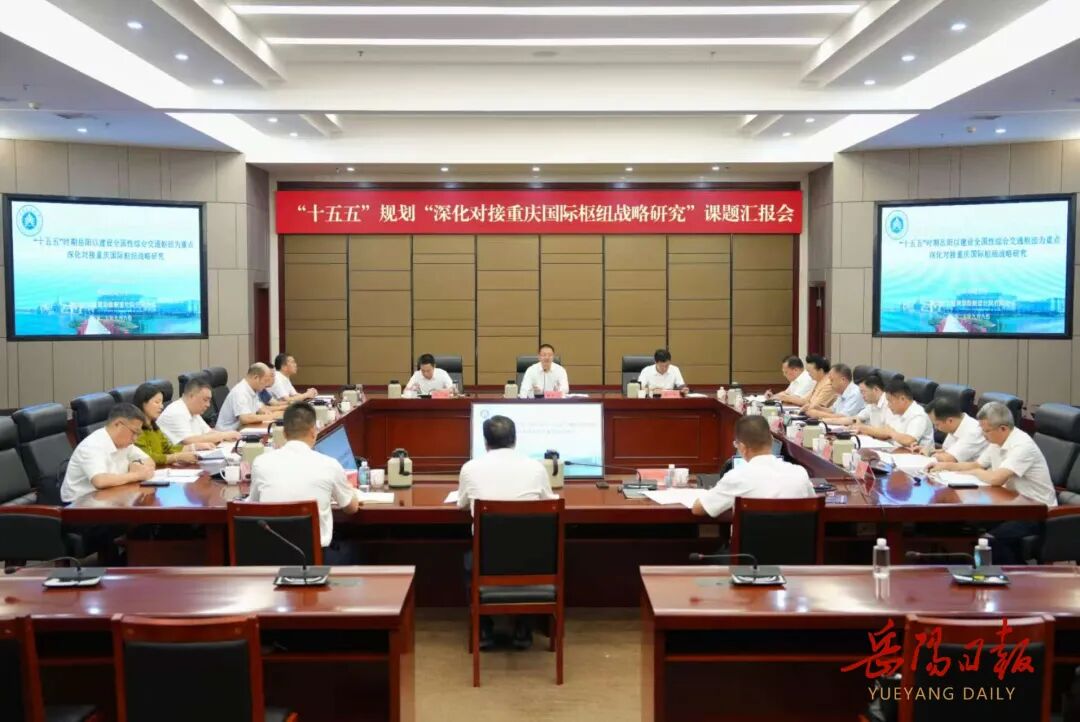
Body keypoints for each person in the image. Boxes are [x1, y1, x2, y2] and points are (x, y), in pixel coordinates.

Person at [457, 415, 557, 650]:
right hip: (533, 561)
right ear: (515, 440)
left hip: (487, 562)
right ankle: (524, 626)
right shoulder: (536, 468)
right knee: (535, 552)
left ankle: (484, 627)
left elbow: (461, 504)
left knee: (469, 560)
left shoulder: (470, 468)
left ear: (485, 442)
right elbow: (549, 502)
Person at [929, 401, 1057, 564]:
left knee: (990, 540)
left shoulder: (1022, 446)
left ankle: (1015, 574)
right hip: (1011, 504)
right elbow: (977, 464)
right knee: (965, 523)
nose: (983, 435)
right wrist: (946, 466)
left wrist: (976, 472)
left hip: (1035, 510)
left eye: (986, 431)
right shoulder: (997, 441)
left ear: (1003, 428)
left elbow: (997, 479)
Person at [249, 402, 361, 564]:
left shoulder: (260, 463)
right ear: (314, 431)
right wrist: (350, 489)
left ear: (284, 433)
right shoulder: (329, 464)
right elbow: (351, 508)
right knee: (356, 549)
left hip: (270, 558)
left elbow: (252, 506)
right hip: (314, 560)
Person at [692, 416, 816, 518]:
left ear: (743, 448)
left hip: (750, 542)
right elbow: (813, 504)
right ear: (771, 441)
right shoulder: (799, 473)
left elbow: (698, 509)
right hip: (796, 542)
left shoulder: (736, 477)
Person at [61, 403, 156, 503]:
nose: (135, 438)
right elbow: (100, 481)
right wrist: (136, 475)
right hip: (80, 504)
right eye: (134, 432)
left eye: (138, 434)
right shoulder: (93, 445)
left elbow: (150, 462)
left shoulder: (125, 443)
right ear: (118, 424)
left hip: (110, 496)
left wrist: (136, 463)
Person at [132, 382, 201, 466]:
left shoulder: (154, 428)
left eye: (161, 403)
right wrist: (177, 457)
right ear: (143, 403)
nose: (161, 406)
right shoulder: (135, 430)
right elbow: (147, 457)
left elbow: (168, 449)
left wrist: (194, 447)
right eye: (157, 402)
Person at [158, 377, 241, 446]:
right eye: (205, 400)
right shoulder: (177, 411)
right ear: (191, 396)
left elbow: (209, 432)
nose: (208, 405)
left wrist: (228, 435)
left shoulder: (193, 412)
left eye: (209, 401)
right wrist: (224, 435)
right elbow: (189, 441)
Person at [855, 379, 933, 449]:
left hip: (917, 457)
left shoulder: (918, 414)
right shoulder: (899, 412)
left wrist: (891, 433)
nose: (888, 405)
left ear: (902, 399)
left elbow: (909, 440)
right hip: (897, 451)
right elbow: (886, 433)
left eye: (890, 401)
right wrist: (868, 433)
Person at [215, 362, 281, 431]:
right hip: (226, 433)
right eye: (265, 381)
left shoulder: (253, 389)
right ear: (256, 378)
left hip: (241, 429)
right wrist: (270, 416)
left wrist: (267, 413)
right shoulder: (240, 391)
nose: (267, 384)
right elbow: (245, 418)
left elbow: (260, 408)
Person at [927, 398, 988, 463]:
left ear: (950, 421)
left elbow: (948, 459)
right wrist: (930, 451)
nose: (935, 428)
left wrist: (929, 454)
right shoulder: (955, 425)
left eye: (937, 424)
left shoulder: (974, 431)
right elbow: (947, 450)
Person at [823, 373, 889, 427]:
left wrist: (862, 428)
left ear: (875, 390)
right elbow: (854, 419)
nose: (862, 396)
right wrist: (824, 421)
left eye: (863, 392)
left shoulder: (889, 404)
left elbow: (886, 433)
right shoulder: (872, 404)